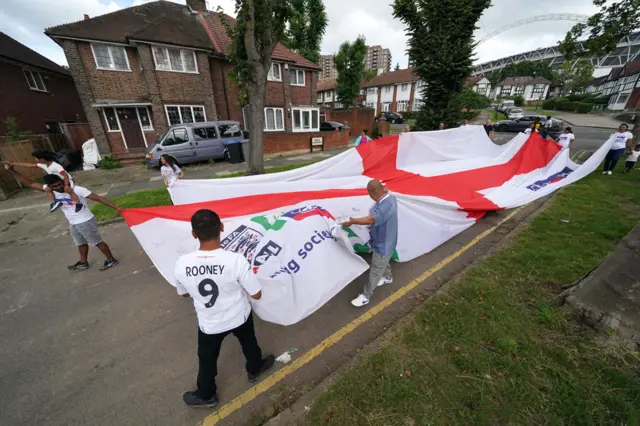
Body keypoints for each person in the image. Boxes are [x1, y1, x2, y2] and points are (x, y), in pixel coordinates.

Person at [175, 209, 274, 408]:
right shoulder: (236, 260)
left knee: (207, 358)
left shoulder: (182, 263)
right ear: (221, 227)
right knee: (249, 342)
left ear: (194, 234)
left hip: (209, 323)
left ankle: (206, 394)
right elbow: (256, 294)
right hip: (239, 315)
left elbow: (183, 293)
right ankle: (254, 369)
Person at [5, 163, 119, 271]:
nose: (59, 187)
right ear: (50, 187)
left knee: (97, 242)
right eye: (55, 186)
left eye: (60, 184)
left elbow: (98, 198)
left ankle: (111, 260)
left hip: (85, 221)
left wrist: (117, 208)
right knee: (80, 243)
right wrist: (12, 170)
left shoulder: (77, 189)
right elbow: (30, 183)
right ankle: (83, 262)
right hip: (73, 222)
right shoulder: (51, 191)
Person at [341, 179, 398, 308]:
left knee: (376, 269)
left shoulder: (385, 206)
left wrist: (353, 221)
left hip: (383, 244)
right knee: (384, 260)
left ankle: (366, 296)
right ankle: (388, 277)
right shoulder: (389, 198)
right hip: (385, 241)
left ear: (373, 192)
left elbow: (371, 219)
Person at [6, 149, 82, 212]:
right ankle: (54, 202)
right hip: (56, 182)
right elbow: (28, 165)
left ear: (42, 159)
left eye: (36, 158)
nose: (35, 160)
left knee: (69, 191)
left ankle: (78, 204)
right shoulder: (43, 165)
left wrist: (66, 185)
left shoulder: (55, 166)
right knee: (48, 189)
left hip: (66, 180)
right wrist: (13, 164)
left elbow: (65, 175)